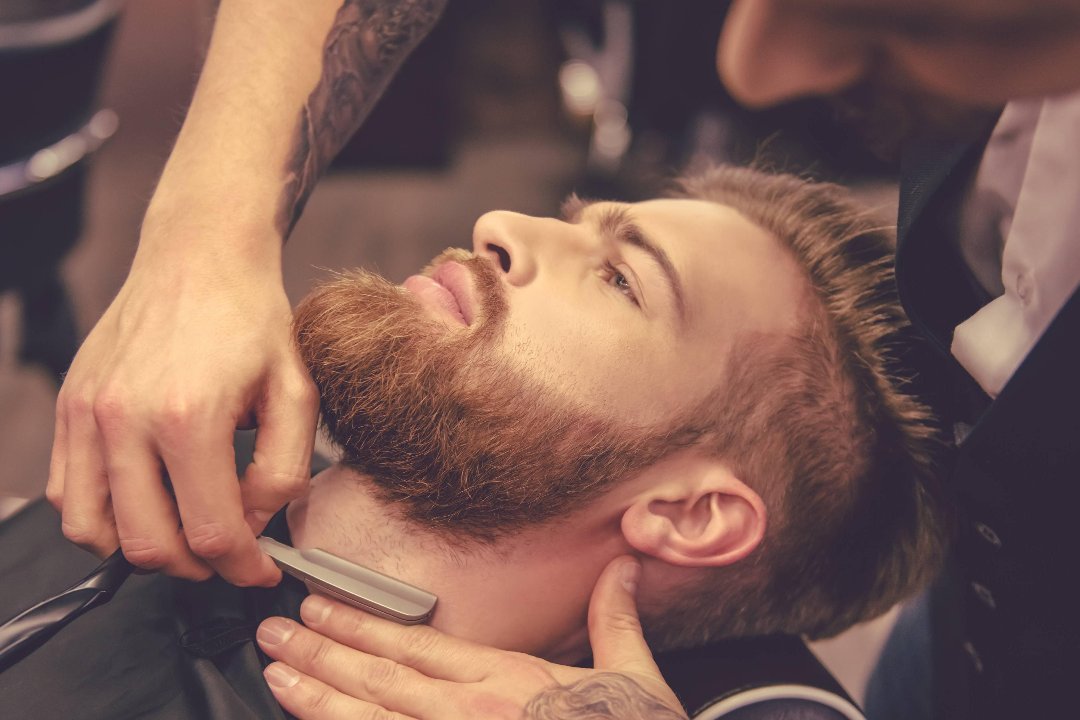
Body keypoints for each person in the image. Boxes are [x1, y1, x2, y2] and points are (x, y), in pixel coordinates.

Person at [5, 166, 943, 719]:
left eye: (620, 279)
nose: (501, 226)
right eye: (574, 224)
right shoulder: (180, 453)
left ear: (691, 514)